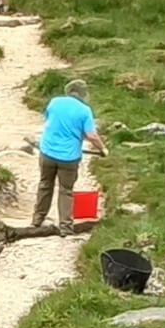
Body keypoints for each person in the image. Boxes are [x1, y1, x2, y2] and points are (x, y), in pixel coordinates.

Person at [32, 80, 108, 235]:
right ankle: (65, 227)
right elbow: (91, 135)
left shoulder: (54, 102)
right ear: (83, 94)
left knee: (45, 184)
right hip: (68, 157)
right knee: (66, 190)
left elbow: (49, 120)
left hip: (47, 151)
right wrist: (103, 149)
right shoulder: (84, 110)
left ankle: (37, 219)